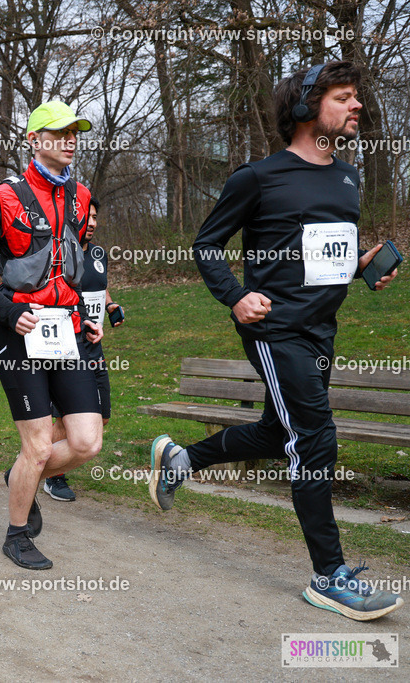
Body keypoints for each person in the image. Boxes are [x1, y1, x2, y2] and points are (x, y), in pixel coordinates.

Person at [149, 61, 402, 621]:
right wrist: (236, 297)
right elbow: (207, 244)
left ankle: (180, 459)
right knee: (314, 437)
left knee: (274, 430)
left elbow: (322, 252)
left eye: (356, 97)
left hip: (320, 332)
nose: (356, 105)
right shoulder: (258, 177)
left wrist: (364, 266)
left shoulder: (349, 177)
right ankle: (328, 576)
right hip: (275, 329)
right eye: (344, 97)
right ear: (305, 109)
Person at [0, 100, 104, 570]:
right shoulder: (4, 196)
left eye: (75, 132)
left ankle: (22, 474)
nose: (70, 139)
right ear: (34, 139)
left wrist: (87, 312)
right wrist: (8, 312)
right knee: (39, 443)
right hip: (20, 331)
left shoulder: (82, 195)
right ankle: (16, 534)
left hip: (68, 330)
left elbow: (71, 266)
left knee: (86, 442)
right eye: (59, 131)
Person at [43, 197, 125, 501]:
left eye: (94, 217)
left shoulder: (99, 253)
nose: (90, 223)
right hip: (70, 347)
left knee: (101, 417)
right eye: (85, 217)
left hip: (95, 347)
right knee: (67, 417)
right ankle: (51, 474)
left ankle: (36, 462)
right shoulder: (61, 252)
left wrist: (110, 304)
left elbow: (98, 286)